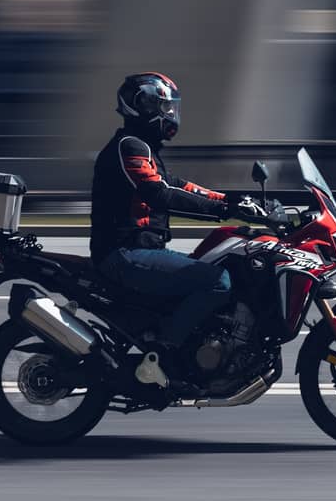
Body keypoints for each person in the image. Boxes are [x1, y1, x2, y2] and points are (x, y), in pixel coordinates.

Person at [89, 72, 259, 365]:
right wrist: (222, 211)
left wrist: (232, 201)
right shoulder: (129, 146)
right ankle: (166, 353)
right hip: (124, 254)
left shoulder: (144, 149)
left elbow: (179, 186)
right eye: (162, 106)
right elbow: (160, 193)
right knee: (218, 281)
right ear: (140, 105)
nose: (168, 114)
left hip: (144, 251)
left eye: (170, 107)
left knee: (216, 264)